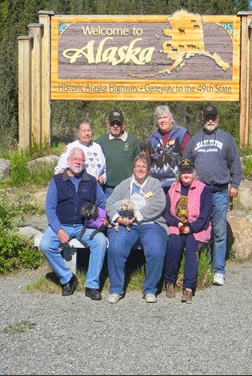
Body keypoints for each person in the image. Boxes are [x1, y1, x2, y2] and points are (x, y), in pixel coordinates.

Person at [183, 105, 243, 286]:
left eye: (213, 117)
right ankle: (205, 267)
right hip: (199, 193)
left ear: (218, 118)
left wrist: (235, 184)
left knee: (219, 232)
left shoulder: (226, 138)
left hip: (219, 192)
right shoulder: (195, 139)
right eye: (207, 117)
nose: (210, 120)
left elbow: (235, 163)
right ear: (203, 119)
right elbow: (186, 163)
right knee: (202, 231)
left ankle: (218, 271)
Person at [39, 147, 108, 299]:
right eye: (75, 159)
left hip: (85, 226)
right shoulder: (57, 180)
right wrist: (58, 230)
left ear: (84, 162)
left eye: (81, 160)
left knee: (100, 242)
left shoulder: (91, 181)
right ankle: (68, 278)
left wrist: (102, 218)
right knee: (45, 245)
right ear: (68, 160)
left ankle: (92, 285)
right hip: (62, 225)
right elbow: (50, 208)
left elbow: (102, 203)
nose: (78, 162)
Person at [105, 155, 168, 304]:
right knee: (116, 248)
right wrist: (118, 219)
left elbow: (159, 204)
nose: (140, 169)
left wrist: (137, 215)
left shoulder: (154, 184)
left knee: (156, 251)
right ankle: (116, 289)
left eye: (143, 167)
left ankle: (150, 289)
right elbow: (109, 203)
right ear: (133, 168)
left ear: (148, 170)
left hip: (151, 223)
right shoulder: (124, 185)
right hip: (126, 224)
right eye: (138, 166)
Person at [164, 158, 212, 304]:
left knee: (192, 248)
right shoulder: (173, 189)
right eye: (183, 171)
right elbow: (167, 213)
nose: (186, 174)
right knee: (173, 245)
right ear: (179, 174)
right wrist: (178, 224)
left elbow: (205, 216)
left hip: (197, 228)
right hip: (178, 226)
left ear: (193, 173)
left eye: (189, 171)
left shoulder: (203, 189)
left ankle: (188, 288)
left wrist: (191, 228)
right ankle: (169, 282)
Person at [146, 105, 191, 192]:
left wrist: (180, 179)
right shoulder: (152, 138)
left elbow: (188, 160)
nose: (162, 120)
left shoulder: (182, 134)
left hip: (178, 184)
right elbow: (147, 162)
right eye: (159, 118)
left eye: (165, 117)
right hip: (156, 186)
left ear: (171, 118)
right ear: (156, 121)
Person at [95, 109, 140, 198]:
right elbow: (87, 148)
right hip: (108, 189)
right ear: (108, 124)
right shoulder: (102, 140)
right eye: (113, 123)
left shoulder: (132, 140)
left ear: (123, 125)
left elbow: (139, 162)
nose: (115, 126)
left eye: (118, 123)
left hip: (129, 188)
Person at [54, 118, 106, 185]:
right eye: (83, 131)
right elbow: (59, 170)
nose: (87, 133)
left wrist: (103, 178)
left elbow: (104, 169)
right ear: (78, 133)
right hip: (77, 187)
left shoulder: (97, 147)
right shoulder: (70, 147)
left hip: (96, 186)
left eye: (89, 130)